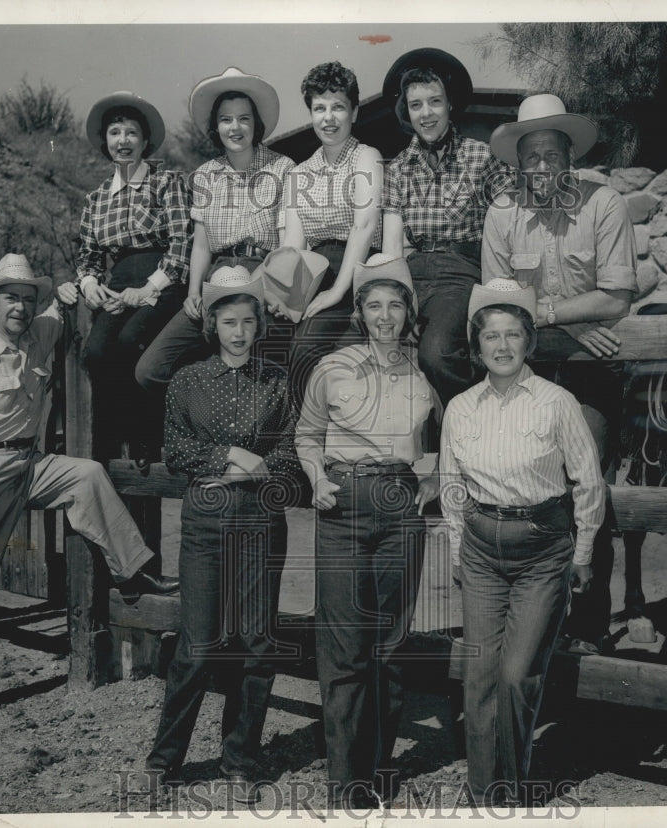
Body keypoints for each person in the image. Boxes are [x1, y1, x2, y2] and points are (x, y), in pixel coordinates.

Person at [0, 254, 180, 724]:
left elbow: (63, 307)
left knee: (87, 475)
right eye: (10, 298)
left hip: (30, 463)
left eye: (27, 299)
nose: (20, 307)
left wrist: (69, 291)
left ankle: (133, 571)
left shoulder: (39, 333)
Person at [482, 93, 638, 654]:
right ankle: (531, 626)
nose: (542, 165)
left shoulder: (605, 204)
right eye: (532, 156)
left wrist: (545, 313)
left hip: (590, 371)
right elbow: (498, 306)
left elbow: (617, 297)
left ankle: (588, 627)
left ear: (570, 156)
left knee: (584, 484)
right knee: (522, 488)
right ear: (518, 163)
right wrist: (573, 321)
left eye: (552, 154)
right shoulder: (502, 214)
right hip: (529, 371)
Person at [438, 277, 604, 806]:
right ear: (477, 345)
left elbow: (588, 480)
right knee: (479, 677)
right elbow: (451, 485)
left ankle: (508, 792)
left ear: (529, 342)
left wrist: (582, 552)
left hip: (542, 549)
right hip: (481, 551)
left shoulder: (557, 402)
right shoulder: (461, 407)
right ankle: (483, 793)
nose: (503, 346)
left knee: (515, 675)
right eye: (491, 336)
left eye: (513, 334)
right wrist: (458, 547)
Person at [145, 267, 299, 805]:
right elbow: (176, 450)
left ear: (259, 325)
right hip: (205, 523)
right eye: (229, 322)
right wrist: (233, 456)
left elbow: (288, 455)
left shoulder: (278, 381)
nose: (238, 332)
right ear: (213, 324)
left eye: (247, 322)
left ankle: (241, 762)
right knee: (197, 645)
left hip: (259, 521)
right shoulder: (188, 380)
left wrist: (248, 471)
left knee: (257, 644)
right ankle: (164, 760)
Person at [295, 255, 440, 809]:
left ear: (408, 312)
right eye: (374, 306)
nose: (384, 316)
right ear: (359, 312)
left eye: (394, 306)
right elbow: (307, 435)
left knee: (391, 646)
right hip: (343, 506)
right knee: (344, 651)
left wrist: (432, 478)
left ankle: (378, 769)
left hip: (400, 506)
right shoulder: (331, 367)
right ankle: (345, 784)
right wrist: (316, 477)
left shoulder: (425, 373)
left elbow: (449, 433)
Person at [135, 68, 296, 392]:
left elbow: (288, 245)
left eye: (244, 118)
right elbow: (201, 246)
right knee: (150, 369)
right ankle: (207, 404)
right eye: (226, 119)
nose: (235, 127)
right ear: (216, 127)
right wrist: (194, 293)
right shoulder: (205, 175)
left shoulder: (283, 168)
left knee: (261, 370)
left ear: (256, 124)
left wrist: (257, 286)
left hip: (265, 276)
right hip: (215, 281)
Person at [55, 91, 190, 465]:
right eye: (115, 133)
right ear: (106, 142)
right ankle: (111, 442)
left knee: (132, 340)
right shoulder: (96, 199)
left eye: (132, 133)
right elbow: (89, 256)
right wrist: (89, 285)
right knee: (97, 353)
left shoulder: (167, 183)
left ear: (145, 142)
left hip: (163, 279)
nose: (123, 141)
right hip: (118, 282)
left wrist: (147, 289)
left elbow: (182, 243)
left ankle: (149, 438)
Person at [381, 48, 512, 405]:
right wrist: (399, 297)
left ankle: (474, 415)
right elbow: (392, 247)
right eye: (416, 105)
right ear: (407, 111)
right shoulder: (397, 170)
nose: (426, 113)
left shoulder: (481, 156)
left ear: (450, 103)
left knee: (437, 352)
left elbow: (509, 224)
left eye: (435, 101)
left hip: (460, 272)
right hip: (411, 272)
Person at [281, 61, 383, 406]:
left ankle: (302, 431)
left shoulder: (367, 157)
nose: (328, 118)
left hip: (356, 269)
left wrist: (338, 292)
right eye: (319, 108)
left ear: (354, 112)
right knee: (266, 335)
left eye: (338, 107)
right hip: (312, 273)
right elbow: (293, 244)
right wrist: (286, 298)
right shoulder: (298, 174)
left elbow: (363, 226)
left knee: (304, 348)